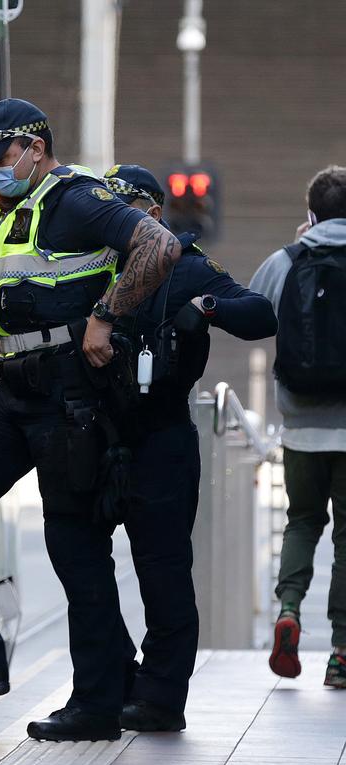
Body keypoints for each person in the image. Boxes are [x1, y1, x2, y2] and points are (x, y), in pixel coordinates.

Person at [0, 98, 185, 742]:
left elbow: (159, 245)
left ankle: (96, 705)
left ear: (35, 149)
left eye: (1, 160)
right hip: (17, 384)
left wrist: (105, 316)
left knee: (74, 545)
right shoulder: (14, 211)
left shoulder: (77, 199)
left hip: (71, 392)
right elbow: (24, 295)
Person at [100, 165, 277, 731]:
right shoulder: (87, 264)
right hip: (93, 436)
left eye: (129, 212)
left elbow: (259, 314)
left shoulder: (184, 264)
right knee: (81, 564)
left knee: (163, 570)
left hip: (160, 436)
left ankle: (159, 696)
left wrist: (205, 309)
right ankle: (113, 677)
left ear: (152, 215)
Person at [250, 165, 346, 689]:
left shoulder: (288, 260)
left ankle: (289, 608)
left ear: (311, 214)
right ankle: (342, 654)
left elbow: (252, 316)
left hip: (302, 427)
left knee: (303, 521)